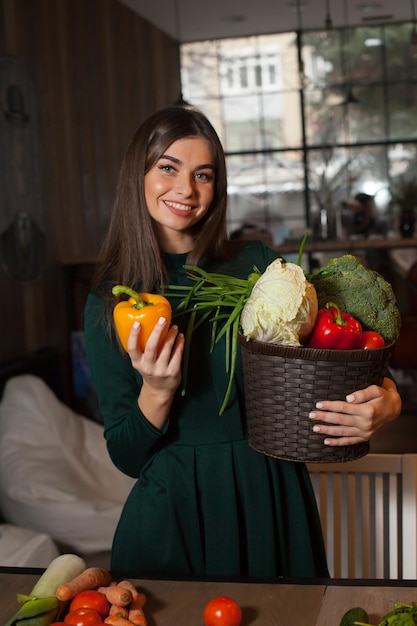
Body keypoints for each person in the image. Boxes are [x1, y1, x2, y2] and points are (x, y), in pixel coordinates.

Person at [84, 105, 401, 580]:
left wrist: (388, 399)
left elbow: (339, 352)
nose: (186, 189)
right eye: (168, 167)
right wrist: (157, 389)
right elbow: (126, 456)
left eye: (203, 174)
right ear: (139, 174)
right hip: (173, 513)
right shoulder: (109, 302)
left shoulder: (258, 266)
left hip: (270, 494)